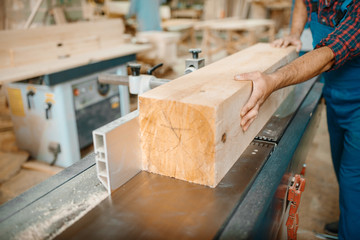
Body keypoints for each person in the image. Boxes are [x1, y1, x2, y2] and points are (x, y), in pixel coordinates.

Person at [233, 0, 360, 239]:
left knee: (354, 177)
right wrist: (294, 34)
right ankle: (350, 217)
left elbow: (329, 54)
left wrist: (273, 80)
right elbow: (302, 1)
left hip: (358, 99)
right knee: (342, 166)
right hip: (335, 93)